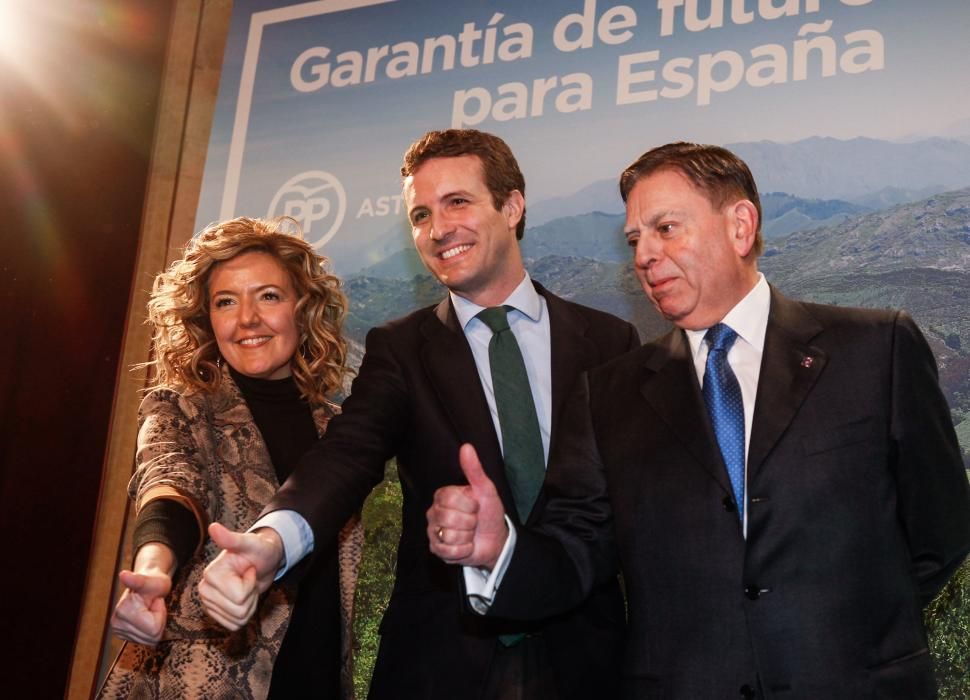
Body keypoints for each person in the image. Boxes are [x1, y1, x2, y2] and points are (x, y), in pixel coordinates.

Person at [428, 142, 970, 698]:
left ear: (740, 227)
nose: (644, 255)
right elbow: (572, 552)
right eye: (635, 240)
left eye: (666, 228)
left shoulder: (875, 350)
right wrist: (498, 552)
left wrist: (850, 632)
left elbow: (941, 531)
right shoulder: (609, 394)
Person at [198, 129, 640, 699]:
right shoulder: (401, 349)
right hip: (445, 662)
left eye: (457, 202)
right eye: (421, 214)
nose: (437, 230)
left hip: (587, 658)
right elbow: (346, 454)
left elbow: (629, 503)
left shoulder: (608, 342)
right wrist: (272, 541)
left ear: (512, 206)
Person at [98, 217, 363, 699]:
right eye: (226, 302)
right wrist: (154, 568)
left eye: (268, 296)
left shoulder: (340, 429)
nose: (247, 319)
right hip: (205, 683)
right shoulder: (180, 406)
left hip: (317, 676)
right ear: (206, 319)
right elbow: (169, 483)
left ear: (303, 310)